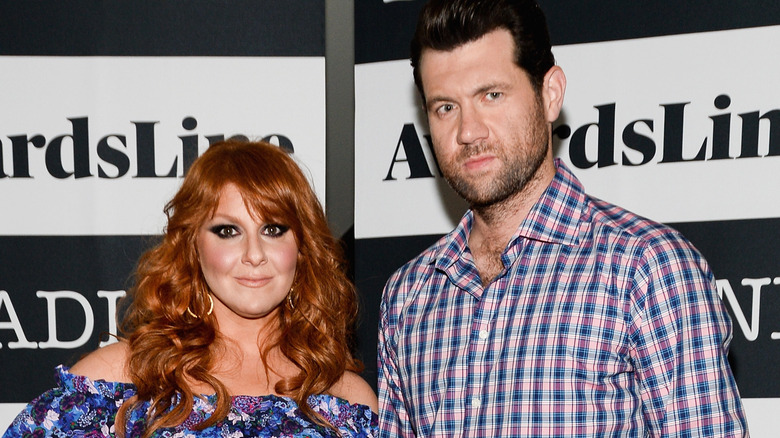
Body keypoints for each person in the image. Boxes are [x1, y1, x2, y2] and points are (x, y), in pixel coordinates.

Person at [377, 0, 748, 436]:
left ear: (550, 94)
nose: (468, 131)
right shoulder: (408, 296)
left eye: (491, 95)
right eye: (445, 107)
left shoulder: (647, 268)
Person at [3, 140, 378, 438]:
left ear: (303, 245)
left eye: (274, 229)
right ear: (192, 244)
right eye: (228, 231)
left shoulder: (347, 399)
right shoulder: (120, 381)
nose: (254, 254)